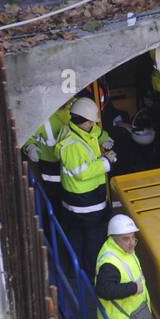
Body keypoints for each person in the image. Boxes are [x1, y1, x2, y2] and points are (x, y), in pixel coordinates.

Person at [57, 95, 115, 275]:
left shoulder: (77, 130)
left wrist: (105, 139)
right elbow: (82, 172)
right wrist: (107, 161)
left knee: (77, 235)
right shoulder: (72, 145)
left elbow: (96, 133)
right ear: (82, 122)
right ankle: (91, 273)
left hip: (81, 200)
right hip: (85, 203)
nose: (93, 125)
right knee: (93, 238)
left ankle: (75, 270)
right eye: (90, 122)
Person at [22, 103, 71, 210]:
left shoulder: (66, 109)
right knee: (53, 196)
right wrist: (30, 147)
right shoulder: (32, 116)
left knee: (70, 193)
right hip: (47, 163)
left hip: (68, 159)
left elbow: (80, 127)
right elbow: (28, 136)